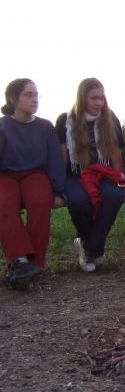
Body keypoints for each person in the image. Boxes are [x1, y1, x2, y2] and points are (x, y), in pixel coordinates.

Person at [0, 78, 65, 289]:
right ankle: (19, 262)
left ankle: (35, 265)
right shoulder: (2, 126)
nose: (34, 99)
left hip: (35, 173)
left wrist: (58, 191)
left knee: (39, 202)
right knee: (4, 205)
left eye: (36, 95)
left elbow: (55, 160)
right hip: (6, 174)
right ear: (13, 98)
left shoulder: (45, 127)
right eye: (28, 95)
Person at [56, 78, 125, 272]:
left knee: (114, 195)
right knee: (78, 201)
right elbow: (63, 155)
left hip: (104, 172)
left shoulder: (109, 118)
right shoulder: (65, 120)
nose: (99, 103)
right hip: (75, 174)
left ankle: (88, 247)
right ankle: (93, 248)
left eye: (102, 98)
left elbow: (114, 152)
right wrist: (59, 186)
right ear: (82, 98)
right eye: (94, 98)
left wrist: (120, 176)